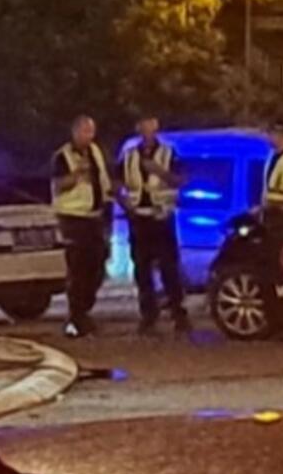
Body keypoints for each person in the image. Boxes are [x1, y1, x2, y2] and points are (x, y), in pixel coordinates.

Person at [120, 114, 189, 335]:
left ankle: (178, 313)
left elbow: (180, 180)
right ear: (138, 127)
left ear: (156, 126)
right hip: (139, 219)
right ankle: (148, 315)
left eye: (150, 124)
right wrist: (125, 205)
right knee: (142, 270)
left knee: (169, 269)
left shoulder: (168, 153)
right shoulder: (129, 155)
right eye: (143, 124)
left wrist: (158, 171)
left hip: (162, 218)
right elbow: (116, 182)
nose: (147, 128)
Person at [50, 115, 113, 338]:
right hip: (73, 217)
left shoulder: (95, 151)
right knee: (78, 268)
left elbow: (103, 180)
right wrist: (77, 174)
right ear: (75, 132)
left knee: (98, 264)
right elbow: (58, 185)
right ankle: (78, 316)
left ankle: (83, 309)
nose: (89, 136)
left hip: (94, 216)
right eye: (85, 131)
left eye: (91, 131)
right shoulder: (63, 156)